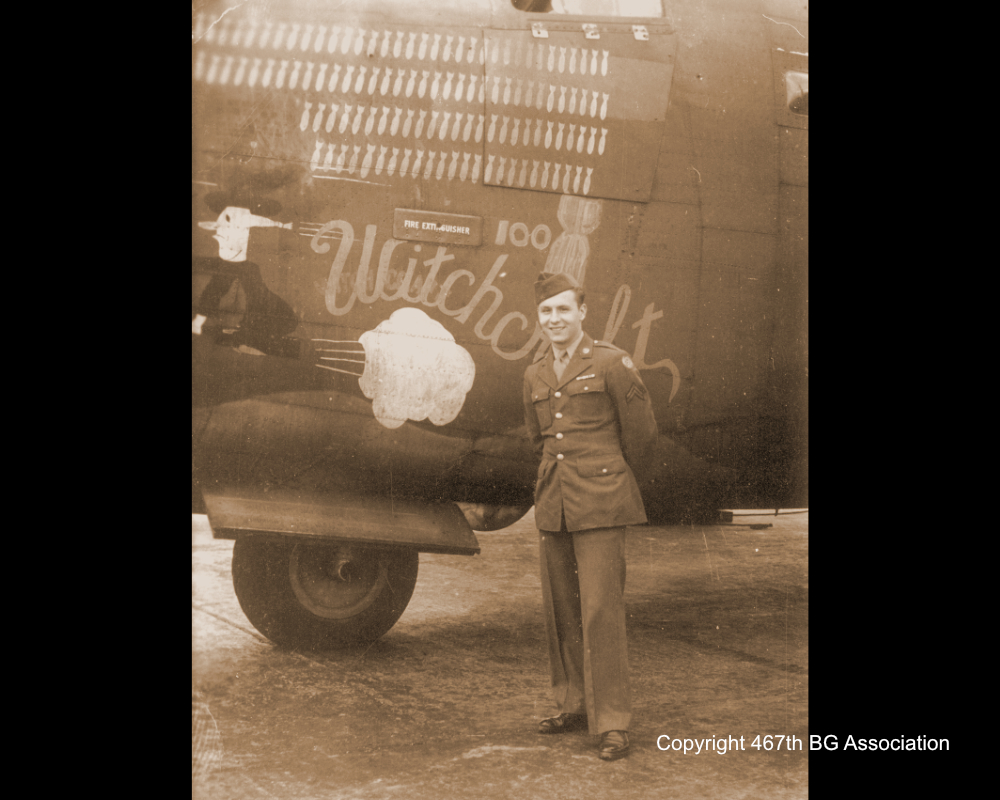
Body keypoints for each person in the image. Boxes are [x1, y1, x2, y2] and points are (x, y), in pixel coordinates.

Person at [522, 271, 658, 761]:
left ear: (582, 312)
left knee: (601, 610)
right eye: (546, 312)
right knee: (561, 609)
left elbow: (640, 435)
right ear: (539, 319)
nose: (555, 319)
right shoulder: (535, 373)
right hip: (555, 503)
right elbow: (539, 441)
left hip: (601, 501)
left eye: (563, 309)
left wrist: (607, 479)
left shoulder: (610, 362)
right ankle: (573, 704)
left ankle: (612, 722)